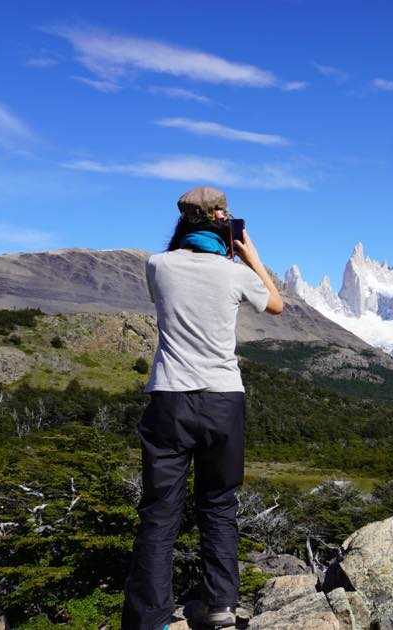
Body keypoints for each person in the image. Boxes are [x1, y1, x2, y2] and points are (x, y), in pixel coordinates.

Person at [121, 186, 283, 630]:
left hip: (170, 399)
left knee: (159, 511)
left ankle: (150, 619)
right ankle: (220, 607)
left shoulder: (158, 265)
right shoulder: (234, 275)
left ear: (184, 222)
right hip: (223, 400)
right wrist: (250, 257)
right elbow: (276, 306)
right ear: (224, 224)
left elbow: (174, 261)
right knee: (219, 505)